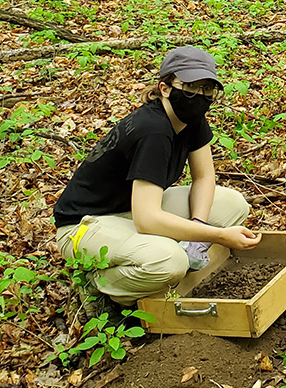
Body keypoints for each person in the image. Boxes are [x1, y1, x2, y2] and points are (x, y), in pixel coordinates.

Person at [53, 47, 262, 305]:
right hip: (84, 225)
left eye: (207, 89)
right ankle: (98, 288)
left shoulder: (191, 118)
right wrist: (216, 236)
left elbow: (204, 177)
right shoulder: (153, 131)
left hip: (131, 209)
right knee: (170, 260)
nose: (199, 95)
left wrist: (198, 225)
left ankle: (149, 263)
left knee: (232, 205)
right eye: (190, 87)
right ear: (165, 88)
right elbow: (147, 219)